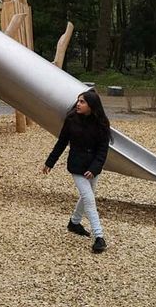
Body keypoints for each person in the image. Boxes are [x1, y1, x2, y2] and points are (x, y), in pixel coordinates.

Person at [43, 89, 112, 254]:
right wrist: (50, 162)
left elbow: (103, 150)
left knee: (88, 195)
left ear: (91, 106)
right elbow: (61, 143)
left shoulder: (102, 123)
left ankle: (74, 222)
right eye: (78, 101)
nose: (78, 104)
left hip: (93, 167)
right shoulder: (71, 120)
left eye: (82, 102)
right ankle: (99, 237)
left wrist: (95, 169)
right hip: (77, 166)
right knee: (89, 199)